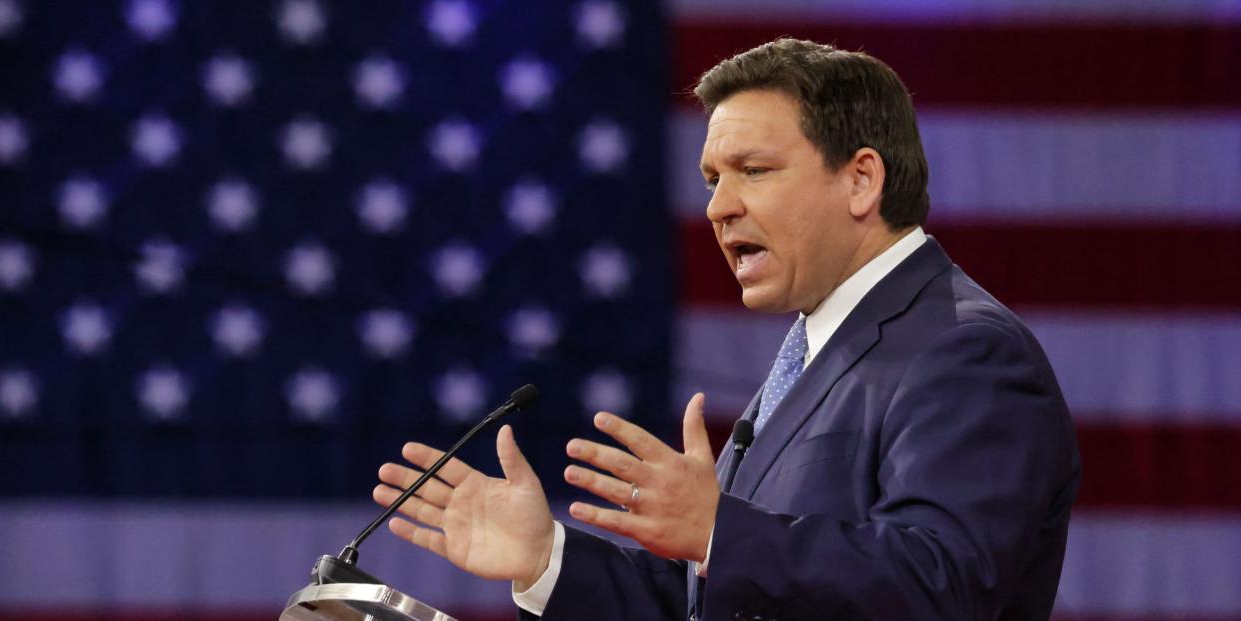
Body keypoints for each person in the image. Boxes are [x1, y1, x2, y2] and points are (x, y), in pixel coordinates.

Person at [372, 38, 1081, 620]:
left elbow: (940, 585)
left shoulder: (964, 349)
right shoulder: (818, 349)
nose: (717, 206)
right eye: (713, 177)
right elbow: (710, 605)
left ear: (862, 180)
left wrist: (719, 528)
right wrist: (546, 558)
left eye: (753, 169)